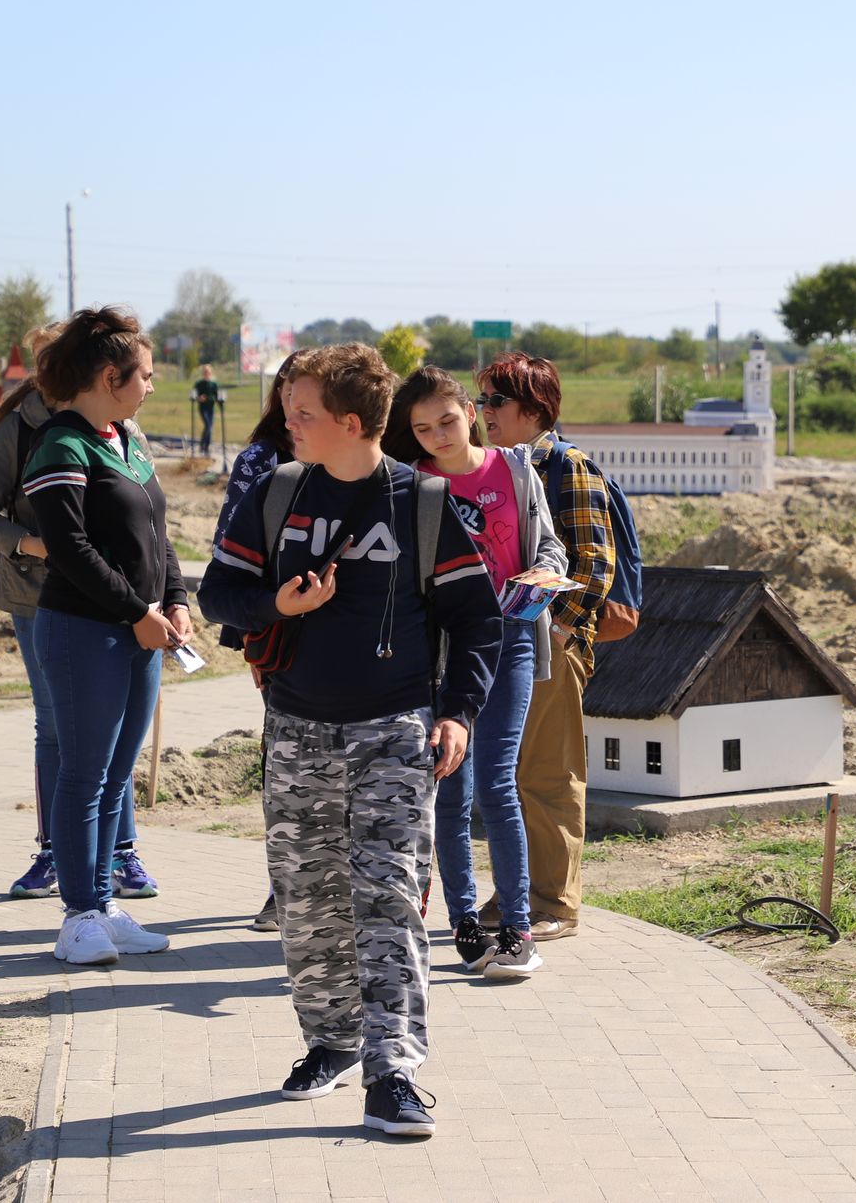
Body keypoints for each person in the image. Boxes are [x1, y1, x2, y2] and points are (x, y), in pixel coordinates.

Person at [198, 343, 500, 1137]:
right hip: (295, 730)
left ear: (353, 421)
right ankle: (330, 1041)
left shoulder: (423, 503)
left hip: (395, 731)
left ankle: (392, 1070)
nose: (288, 423)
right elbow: (219, 591)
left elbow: (477, 620)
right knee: (308, 901)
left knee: (389, 897)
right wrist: (279, 606)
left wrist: (459, 712)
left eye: (303, 412)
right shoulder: (277, 491)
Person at [0, 323, 161, 901]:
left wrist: (166, 594)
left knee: (112, 744)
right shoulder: (25, 429)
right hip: (41, 599)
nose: (54, 369)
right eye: (44, 359)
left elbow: (150, 517)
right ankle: (61, 860)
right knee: (60, 734)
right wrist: (31, 544)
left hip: (121, 607)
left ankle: (119, 855)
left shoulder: (121, 425)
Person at [21, 306, 189, 966]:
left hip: (140, 629)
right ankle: (78, 917)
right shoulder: (61, 443)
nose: (150, 385)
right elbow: (70, 548)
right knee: (84, 775)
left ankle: (103, 906)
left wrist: (174, 600)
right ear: (108, 376)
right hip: (84, 631)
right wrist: (135, 611)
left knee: (116, 776)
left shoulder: (127, 439)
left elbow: (157, 531)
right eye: (143, 375)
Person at [384, 367, 565, 979]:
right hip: (443, 652)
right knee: (450, 787)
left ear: (469, 412)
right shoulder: (411, 485)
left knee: (497, 782)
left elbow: (550, 545)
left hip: (512, 638)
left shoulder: (514, 469)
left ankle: (517, 928)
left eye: (447, 420)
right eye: (423, 428)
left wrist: (542, 574)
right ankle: (464, 922)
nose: (438, 435)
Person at [472, 352, 614, 942]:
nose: (484, 412)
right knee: (507, 776)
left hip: (551, 647)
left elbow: (594, 563)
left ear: (534, 409)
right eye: (481, 400)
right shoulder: (494, 468)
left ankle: (554, 902)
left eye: (497, 401)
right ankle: (516, 894)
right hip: (505, 645)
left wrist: (558, 631)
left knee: (549, 776)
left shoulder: (567, 466)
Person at [211, 351, 305, 933]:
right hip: (279, 632)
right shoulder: (261, 459)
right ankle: (283, 887)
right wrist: (253, 634)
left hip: (357, 640)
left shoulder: (361, 458)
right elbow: (231, 553)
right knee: (286, 765)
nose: (298, 405)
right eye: (290, 390)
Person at [193, 363, 222, 455]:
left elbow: (217, 396)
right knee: (208, 426)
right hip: (203, 408)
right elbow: (195, 395)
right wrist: (199, 398)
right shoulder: (199, 383)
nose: (206, 374)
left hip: (211, 407)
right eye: (205, 372)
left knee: (209, 428)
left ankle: (206, 446)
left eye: (208, 372)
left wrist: (220, 405)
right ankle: (203, 445)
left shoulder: (213, 384)